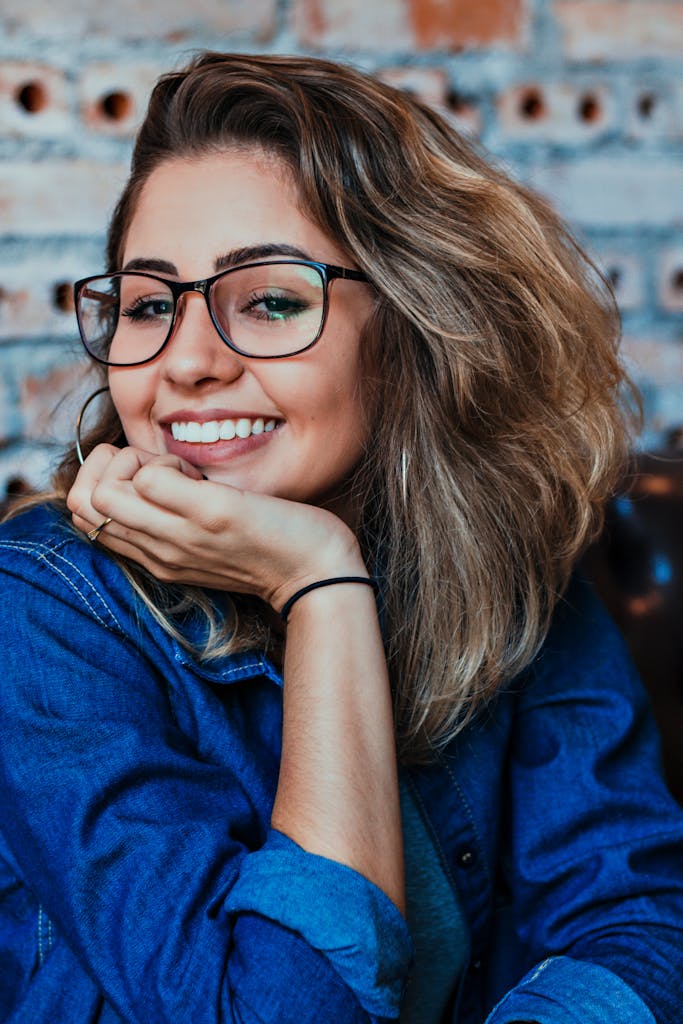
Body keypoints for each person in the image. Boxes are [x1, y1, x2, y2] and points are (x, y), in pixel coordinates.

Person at [0, 51, 681, 1024]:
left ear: (410, 331)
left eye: (270, 299)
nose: (184, 360)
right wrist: (319, 583)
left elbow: (635, 917)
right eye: (151, 304)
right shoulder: (44, 610)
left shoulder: (512, 568)